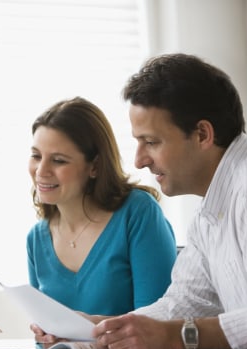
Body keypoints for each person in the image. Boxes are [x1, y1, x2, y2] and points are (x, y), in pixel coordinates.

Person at [36, 54, 247, 349]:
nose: (139, 160)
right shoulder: (209, 212)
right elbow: (182, 304)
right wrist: (97, 330)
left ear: (202, 134)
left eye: (151, 142)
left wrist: (177, 336)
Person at [27, 96, 177, 320]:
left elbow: (158, 323)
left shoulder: (137, 213)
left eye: (58, 160)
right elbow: (46, 343)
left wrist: (90, 327)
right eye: (36, 156)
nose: (41, 171)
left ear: (95, 166)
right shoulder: (36, 239)